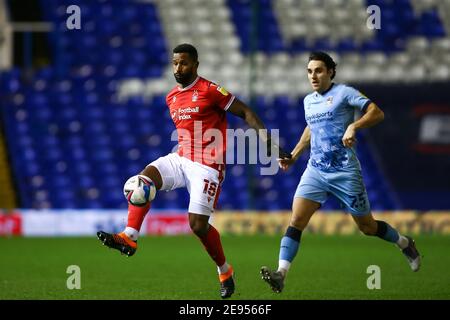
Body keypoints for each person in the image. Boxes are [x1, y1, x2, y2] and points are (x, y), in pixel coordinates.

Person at [97, 43, 291, 299]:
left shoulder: (211, 90)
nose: (178, 67)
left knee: (197, 225)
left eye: (184, 63)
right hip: (180, 157)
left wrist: (272, 146)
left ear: (196, 65)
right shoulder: (171, 97)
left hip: (207, 166)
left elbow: (245, 111)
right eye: (175, 63)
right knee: (143, 179)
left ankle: (224, 270)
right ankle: (130, 236)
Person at [260, 51, 421, 293]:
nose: (313, 76)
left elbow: (377, 112)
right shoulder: (308, 101)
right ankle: (281, 273)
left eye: (319, 70)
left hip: (345, 172)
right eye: (309, 71)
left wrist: (353, 126)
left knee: (367, 227)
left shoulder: (345, 93)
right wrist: (294, 155)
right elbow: (311, 129)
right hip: (315, 170)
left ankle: (405, 243)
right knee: (296, 221)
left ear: (331, 72)